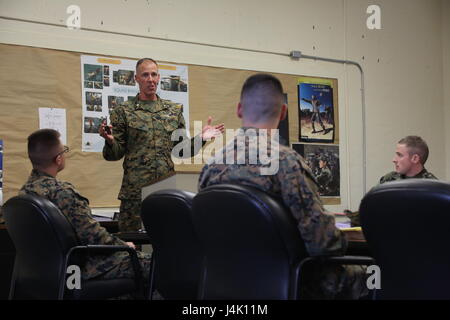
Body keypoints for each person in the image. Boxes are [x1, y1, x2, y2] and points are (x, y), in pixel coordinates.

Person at [198, 73, 367, 300]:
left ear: (239, 109)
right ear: (284, 112)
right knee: (374, 277)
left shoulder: (212, 166)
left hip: (227, 283)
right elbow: (322, 243)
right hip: (292, 281)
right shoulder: (286, 162)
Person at [19, 129, 151, 296]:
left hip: (46, 271)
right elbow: (93, 236)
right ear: (58, 159)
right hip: (82, 269)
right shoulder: (61, 192)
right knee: (156, 264)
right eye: (64, 150)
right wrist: (125, 246)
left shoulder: (25, 193)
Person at [99, 58, 224, 232]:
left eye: (154, 74)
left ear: (159, 78)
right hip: (135, 193)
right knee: (131, 243)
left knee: (168, 241)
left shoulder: (173, 111)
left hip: (165, 191)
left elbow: (181, 152)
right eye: (145, 75)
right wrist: (110, 141)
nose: (150, 79)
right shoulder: (123, 111)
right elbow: (114, 155)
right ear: (136, 78)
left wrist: (201, 138)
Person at [346, 135, 437, 226]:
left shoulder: (432, 188)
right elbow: (369, 206)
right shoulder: (389, 180)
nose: (394, 160)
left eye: (399, 155)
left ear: (415, 158)